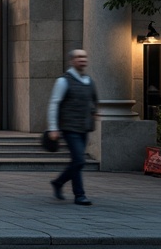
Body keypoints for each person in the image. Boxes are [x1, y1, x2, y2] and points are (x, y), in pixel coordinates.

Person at [47, 48, 97, 206]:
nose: (82, 59)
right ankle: (79, 194)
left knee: (77, 161)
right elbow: (54, 104)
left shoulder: (89, 81)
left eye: (84, 56)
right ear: (72, 61)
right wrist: (53, 128)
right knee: (79, 160)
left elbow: (94, 101)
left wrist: (93, 115)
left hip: (84, 127)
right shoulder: (63, 81)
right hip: (69, 127)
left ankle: (58, 183)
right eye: (79, 57)